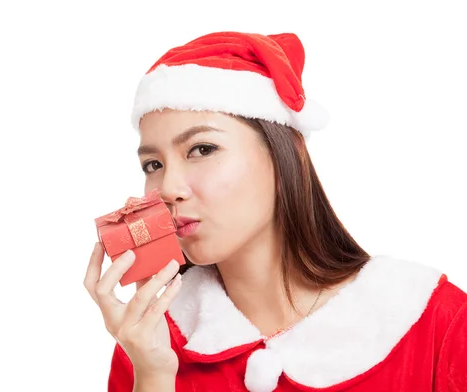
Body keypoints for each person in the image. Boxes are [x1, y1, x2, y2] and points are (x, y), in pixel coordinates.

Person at [83, 31, 467, 392]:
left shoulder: (434, 321)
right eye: (153, 165)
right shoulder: (147, 341)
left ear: (288, 157)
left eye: (202, 149)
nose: (167, 188)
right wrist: (152, 375)